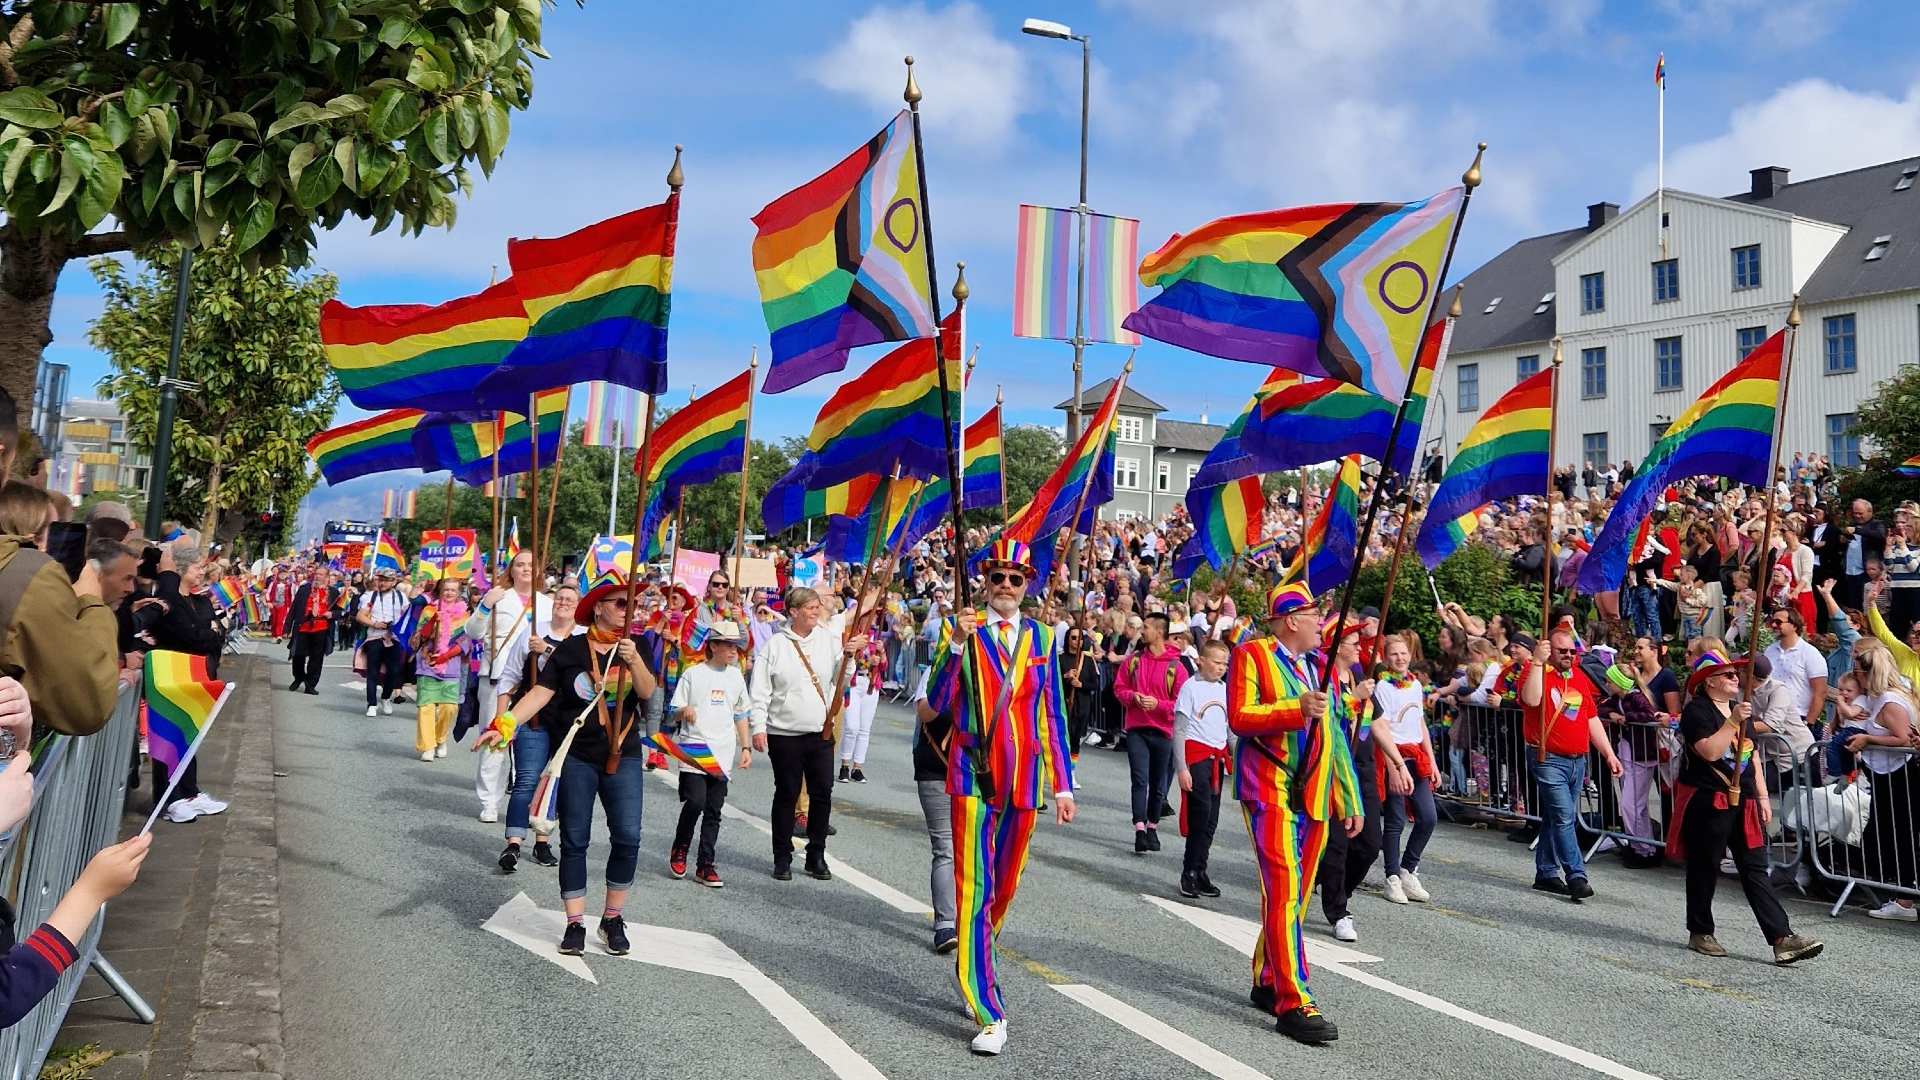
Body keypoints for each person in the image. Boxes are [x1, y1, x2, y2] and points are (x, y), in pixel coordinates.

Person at [923, 539, 1075, 1056]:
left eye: (1015, 578)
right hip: (972, 774)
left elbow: (1053, 711)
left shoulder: (1041, 636)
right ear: (985, 582)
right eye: (997, 578)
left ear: (1027, 584)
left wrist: (1064, 783)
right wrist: (956, 647)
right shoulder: (960, 628)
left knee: (1003, 887)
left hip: (1026, 778)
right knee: (974, 889)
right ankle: (988, 1007)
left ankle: (976, 954)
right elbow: (938, 702)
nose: (1005, 586)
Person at [476, 568, 657, 956]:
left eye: (634, 603)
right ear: (599, 610)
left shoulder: (636, 645)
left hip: (623, 755)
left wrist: (634, 661)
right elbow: (540, 694)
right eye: (623, 603)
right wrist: (504, 724)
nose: (631, 609)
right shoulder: (572, 651)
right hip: (576, 754)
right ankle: (575, 923)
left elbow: (647, 692)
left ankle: (612, 918)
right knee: (575, 839)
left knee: (628, 836)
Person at [1227, 583, 1362, 1045]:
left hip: (1316, 794)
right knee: (1283, 890)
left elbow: (1336, 737)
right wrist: (1294, 708)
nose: (1323, 621)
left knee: (1296, 897)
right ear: (1291, 620)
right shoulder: (1252, 654)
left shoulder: (1319, 667)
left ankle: (1268, 977)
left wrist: (1349, 797)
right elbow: (1240, 717)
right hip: (1269, 787)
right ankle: (1293, 1000)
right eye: (1314, 613)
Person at [1670, 650, 1824, 964]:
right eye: (1727, 674)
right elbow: (1710, 752)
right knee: (1705, 866)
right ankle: (1700, 931)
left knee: (1755, 868)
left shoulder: (1740, 710)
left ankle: (1782, 938)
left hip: (1746, 801)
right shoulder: (1697, 712)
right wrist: (1732, 721)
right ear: (1709, 681)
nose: (1735, 678)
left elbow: (1752, 756)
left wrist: (1763, 798)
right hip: (1709, 800)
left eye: (1735, 673)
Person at [749, 585, 870, 881]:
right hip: (783, 732)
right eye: (810, 607)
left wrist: (850, 656)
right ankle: (782, 856)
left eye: (818, 607)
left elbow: (840, 680)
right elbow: (761, 690)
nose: (816, 611)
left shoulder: (828, 641)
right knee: (787, 793)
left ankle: (816, 853)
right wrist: (758, 727)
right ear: (793, 612)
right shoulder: (775, 646)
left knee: (822, 793)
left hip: (819, 731)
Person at [1519, 630, 1624, 900]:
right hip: (1548, 759)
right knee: (1565, 816)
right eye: (1562, 651)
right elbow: (1530, 700)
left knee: (1556, 817)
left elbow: (1591, 718)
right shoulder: (1536, 671)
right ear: (1549, 650)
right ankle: (1576, 875)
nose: (1568, 655)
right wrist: (1538, 664)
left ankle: (1545, 872)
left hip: (1578, 760)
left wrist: (1609, 753)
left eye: (1572, 651)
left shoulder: (1578, 676)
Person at [493, 581, 582, 873]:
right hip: (533, 718)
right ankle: (514, 842)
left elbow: (587, 677)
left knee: (553, 780)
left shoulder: (582, 638)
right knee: (527, 779)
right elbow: (508, 677)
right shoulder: (531, 632)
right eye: (559, 599)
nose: (564, 603)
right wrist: (501, 721)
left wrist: (547, 650)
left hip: (567, 722)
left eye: (570, 600)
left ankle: (542, 841)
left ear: (578, 606)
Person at [467, 550, 553, 824]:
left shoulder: (547, 603)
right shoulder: (498, 596)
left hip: (536, 682)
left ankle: (525, 800)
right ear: (512, 570)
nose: (526, 569)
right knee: (496, 737)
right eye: (520, 564)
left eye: (531, 565)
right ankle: (489, 801)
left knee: (531, 742)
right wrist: (483, 607)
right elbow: (473, 632)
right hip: (497, 677)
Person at [667, 621, 753, 888]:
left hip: (724, 750)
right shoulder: (693, 674)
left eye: (735, 646)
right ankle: (680, 847)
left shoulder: (736, 676)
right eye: (727, 645)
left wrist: (746, 746)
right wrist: (685, 711)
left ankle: (705, 864)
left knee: (714, 810)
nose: (733, 650)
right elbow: (673, 710)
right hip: (695, 746)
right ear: (713, 646)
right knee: (695, 802)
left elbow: (741, 714)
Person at [1843, 642, 1919, 922]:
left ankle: (1904, 899)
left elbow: (1902, 738)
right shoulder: (1880, 699)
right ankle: (1896, 891)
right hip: (1884, 775)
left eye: (1860, 673)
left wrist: (1868, 739)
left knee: (1902, 835)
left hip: (1899, 775)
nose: (1857, 678)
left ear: (1870, 673)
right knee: (1888, 832)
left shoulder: (1889, 701)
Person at [1316, 624, 1380, 943]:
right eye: (1353, 642)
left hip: (1357, 769)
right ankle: (1338, 911)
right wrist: (1355, 700)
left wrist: (1395, 762)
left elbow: (1365, 728)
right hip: (1331, 771)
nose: (1359, 648)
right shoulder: (1324, 679)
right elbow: (1330, 719)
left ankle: (1331, 885)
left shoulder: (1355, 679)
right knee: (1338, 845)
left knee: (1369, 845)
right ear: (1337, 646)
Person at [1114, 610, 1188, 853]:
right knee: (1139, 780)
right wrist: (1133, 697)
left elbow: (1182, 703)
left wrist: (1159, 705)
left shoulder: (1177, 666)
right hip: (1137, 729)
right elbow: (1119, 688)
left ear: (1159, 632)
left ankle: (1153, 826)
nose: (1141, 631)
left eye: (1146, 627)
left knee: (1159, 784)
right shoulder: (1133, 660)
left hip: (1164, 732)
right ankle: (1139, 829)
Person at [1373, 635, 1437, 905]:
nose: (1400, 658)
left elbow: (1419, 723)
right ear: (1387, 658)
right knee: (1396, 820)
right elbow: (1382, 728)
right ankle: (1392, 877)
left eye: (1403, 653)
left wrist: (1432, 760)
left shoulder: (1414, 685)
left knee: (1428, 817)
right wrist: (1393, 766)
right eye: (1394, 654)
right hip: (1395, 756)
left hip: (1416, 756)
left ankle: (1408, 869)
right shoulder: (1383, 687)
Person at [1173, 638, 1230, 899]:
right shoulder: (1190, 687)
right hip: (1197, 756)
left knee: (1212, 820)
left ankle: (1201, 868)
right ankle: (1189, 872)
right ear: (1202, 661)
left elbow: (1230, 730)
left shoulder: (1225, 689)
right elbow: (1180, 730)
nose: (1221, 668)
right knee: (1200, 815)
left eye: (1225, 663)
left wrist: (1237, 759)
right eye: (1217, 662)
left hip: (1217, 759)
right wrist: (1181, 768)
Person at [911, 664, 959, 955]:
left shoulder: (995, 668)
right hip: (936, 768)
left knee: (976, 849)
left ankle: (971, 919)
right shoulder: (939, 668)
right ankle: (946, 923)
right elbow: (925, 712)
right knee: (945, 847)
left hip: (978, 774)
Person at [408, 577, 467, 762]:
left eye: (453, 590)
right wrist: (434, 622)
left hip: (451, 667)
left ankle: (440, 739)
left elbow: (466, 641)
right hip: (428, 663)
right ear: (440, 592)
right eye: (445, 590)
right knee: (425, 707)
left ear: (458, 593)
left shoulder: (464, 615)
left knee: (449, 708)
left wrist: (447, 655)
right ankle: (427, 746)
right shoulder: (429, 610)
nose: (449, 593)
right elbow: (418, 637)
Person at [1761, 607, 1827, 737]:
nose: (1774, 625)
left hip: (1798, 717)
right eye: (1772, 621)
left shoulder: (1810, 653)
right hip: (1771, 716)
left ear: (1794, 625)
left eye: (1779, 622)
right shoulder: (1770, 650)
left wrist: (1809, 723)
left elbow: (1820, 691)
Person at [355, 568, 409, 717]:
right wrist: (375, 624)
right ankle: (371, 704)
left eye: (386, 580)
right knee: (372, 671)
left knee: (393, 671)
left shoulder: (401, 597)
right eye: (380, 579)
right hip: (375, 638)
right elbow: (360, 616)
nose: (382, 583)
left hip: (394, 639)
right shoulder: (370, 597)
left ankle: (386, 698)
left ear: (393, 582)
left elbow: (407, 616)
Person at [837, 634, 884, 784]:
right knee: (851, 727)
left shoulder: (876, 638)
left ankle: (857, 767)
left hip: (871, 685)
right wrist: (866, 662)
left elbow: (884, 667)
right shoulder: (852, 636)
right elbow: (846, 662)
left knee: (864, 729)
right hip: (853, 684)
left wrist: (881, 653)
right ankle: (844, 765)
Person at [286, 565, 338, 695]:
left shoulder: (333, 592)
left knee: (316, 658)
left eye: (321, 574)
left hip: (321, 628)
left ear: (327, 577)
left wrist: (331, 614)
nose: (317, 576)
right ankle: (298, 678)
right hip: (303, 626)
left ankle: (310, 684)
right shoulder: (304, 589)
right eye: (316, 574)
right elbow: (294, 608)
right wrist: (288, 626)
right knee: (298, 655)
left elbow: (340, 611)